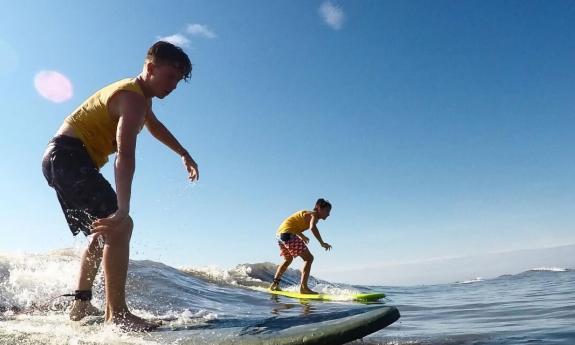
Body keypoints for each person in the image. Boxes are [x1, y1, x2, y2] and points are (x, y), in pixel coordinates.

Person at [41, 41, 199, 331]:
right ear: (150, 68)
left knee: (104, 230)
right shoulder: (133, 98)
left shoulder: (141, 100)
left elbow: (155, 127)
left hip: (60, 159)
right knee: (120, 225)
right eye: (170, 77)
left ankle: (81, 302)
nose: (173, 85)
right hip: (68, 157)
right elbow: (125, 156)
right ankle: (118, 315)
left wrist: (183, 153)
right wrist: (123, 209)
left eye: (178, 80)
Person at [269, 199, 333, 294]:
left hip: (280, 235)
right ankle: (304, 288)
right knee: (309, 258)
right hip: (288, 234)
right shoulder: (313, 215)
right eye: (327, 211)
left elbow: (293, 224)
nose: (328, 214)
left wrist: (302, 235)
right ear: (319, 208)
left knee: (288, 259)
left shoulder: (308, 214)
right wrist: (322, 243)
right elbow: (312, 228)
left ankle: (274, 284)